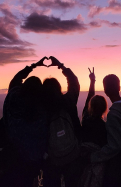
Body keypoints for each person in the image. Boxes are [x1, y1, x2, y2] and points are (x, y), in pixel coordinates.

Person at [2, 57, 49, 187]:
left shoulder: (12, 99)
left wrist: (34, 66)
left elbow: (15, 80)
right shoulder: (41, 108)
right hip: (33, 159)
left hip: (14, 154)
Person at [42, 56, 82, 187]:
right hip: (73, 154)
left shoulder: (40, 109)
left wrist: (32, 67)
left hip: (51, 159)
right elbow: (74, 82)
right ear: (59, 88)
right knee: (73, 182)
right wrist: (60, 66)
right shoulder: (68, 102)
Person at [79, 67, 108, 187]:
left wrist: (92, 81)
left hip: (82, 160)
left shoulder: (86, 119)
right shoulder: (104, 127)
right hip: (97, 164)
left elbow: (89, 97)